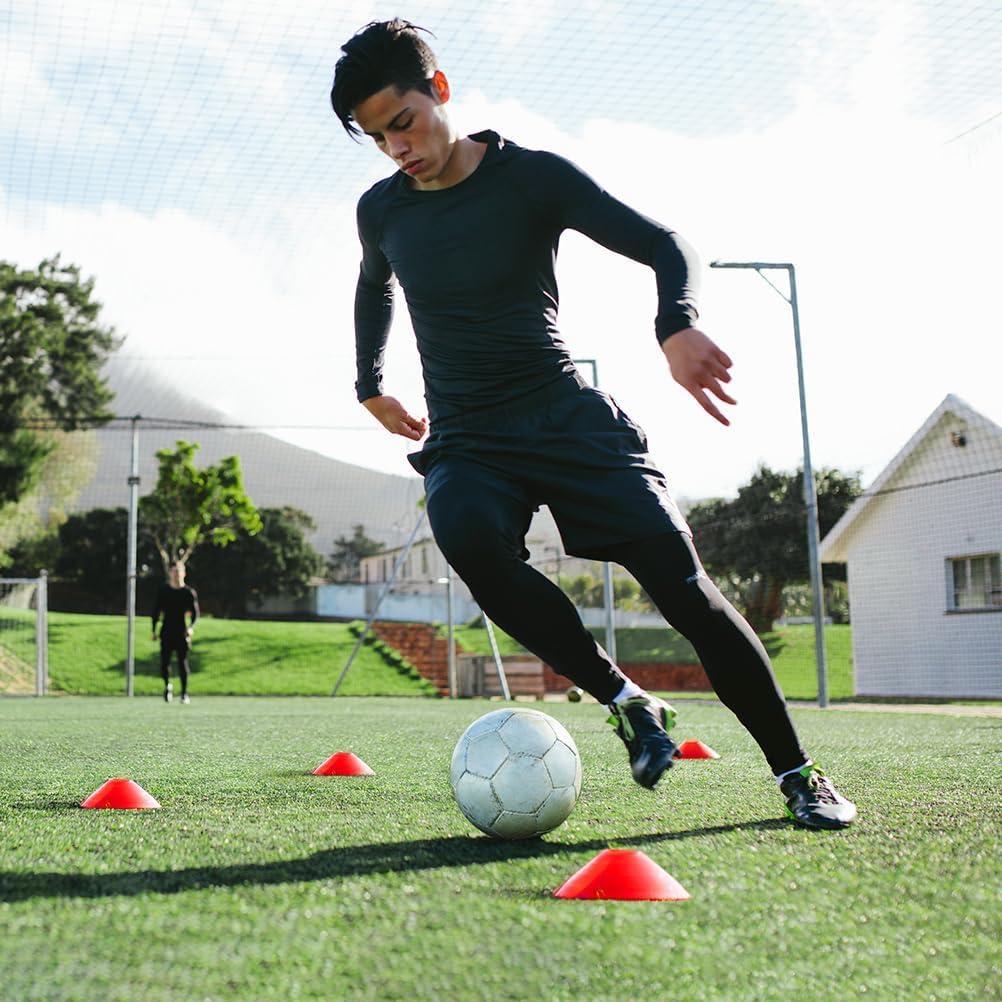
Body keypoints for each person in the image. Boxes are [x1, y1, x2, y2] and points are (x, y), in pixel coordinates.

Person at [330, 20, 856, 829]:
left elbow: (666, 244)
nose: (396, 148)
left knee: (688, 593)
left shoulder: (531, 178)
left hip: (565, 418)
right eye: (377, 139)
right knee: (466, 533)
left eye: (403, 122)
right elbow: (375, 286)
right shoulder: (382, 211)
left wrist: (675, 325)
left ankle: (799, 773)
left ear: (439, 91)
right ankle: (625, 699)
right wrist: (370, 385)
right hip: (469, 437)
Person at [152, 562, 199, 704]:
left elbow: (195, 614)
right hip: (166, 631)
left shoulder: (188, 593)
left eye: (179, 571)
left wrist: (190, 627)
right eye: (174, 571)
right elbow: (156, 611)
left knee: (182, 662)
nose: (176, 574)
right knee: (164, 662)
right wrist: (153, 629)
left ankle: (184, 693)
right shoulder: (163, 590)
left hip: (181, 632)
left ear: (184, 573)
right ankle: (167, 686)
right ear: (170, 573)